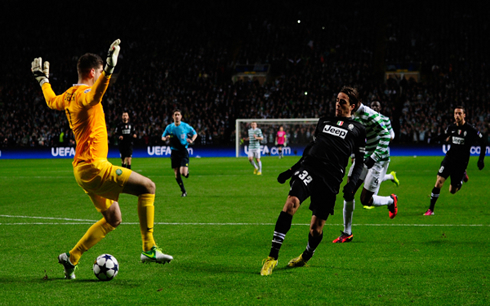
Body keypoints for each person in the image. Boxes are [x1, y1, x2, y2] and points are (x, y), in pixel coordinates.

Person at [31, 39, 173, 280]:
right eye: (98, 73)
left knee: (113, 218)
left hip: (81, 172)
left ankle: (71, 257)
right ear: (91, 72)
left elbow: (50, 100)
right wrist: (109, 69)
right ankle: (149, 248)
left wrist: (42, 80)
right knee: (148, 187)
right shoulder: (85, 93)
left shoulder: (68, 95)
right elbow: (95, 95)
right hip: (96, 167)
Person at [260, 86, 366, 276]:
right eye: (337, 100)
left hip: (331, 178)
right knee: (291, 203)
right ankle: (272, 257)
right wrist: (292, 169)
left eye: (343, 102)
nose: (337, 104)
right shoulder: (324, 121)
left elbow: (359, 161)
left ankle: (306, 255)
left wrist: (352, 183)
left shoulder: (358, 130)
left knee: (316, 229)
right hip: (310, 168)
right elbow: (311, 148)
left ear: (353, 106)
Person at [333, 100, 398, 243]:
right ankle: (347, 232)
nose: (338, 105)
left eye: (342, 102)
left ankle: (390, 200)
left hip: (378, 159)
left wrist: (374, 155)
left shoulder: (377, 117)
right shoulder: (353, 117)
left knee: (365, 200)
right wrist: (353, 155)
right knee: (348, 191)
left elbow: (389, 136)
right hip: (362, 157)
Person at [424, 106, 485, 215]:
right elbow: (444, 135)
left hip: (461, 163)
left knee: (452, 191)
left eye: (459, 113)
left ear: (464, 115)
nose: (457, 116)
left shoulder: (471, 130)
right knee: (438, 182)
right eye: (455, 113)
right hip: (449, 158)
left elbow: (483, 142)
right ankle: (431, 209)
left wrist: (481, 159)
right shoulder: (451, 127)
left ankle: (462, 177)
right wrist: (434, 139)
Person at [362, 100, 399, 209]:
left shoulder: (385, 119)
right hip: (369, 155)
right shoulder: (367, 120)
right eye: (372, 105)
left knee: (375, 180)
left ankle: (373, 199)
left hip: (383, 156)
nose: (374, 107)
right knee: (372, 179)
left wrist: (390, 137)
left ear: (380, 108)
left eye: (376, 106)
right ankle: (391, 177)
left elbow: (391, 133)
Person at [161, 109, 197, 197]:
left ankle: (186, 172)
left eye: (178, 115)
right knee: (176, 173)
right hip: (174, 152)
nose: (177, 116)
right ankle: (183, 191)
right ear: (173, 116)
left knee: (183, 173)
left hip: (183, 151)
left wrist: (192, 140)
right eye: (175, 114)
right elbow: (162, 136)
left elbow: (195, 133)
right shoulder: (169, 127)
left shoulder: (185, 126)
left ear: (181, 117)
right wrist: (165, 138)